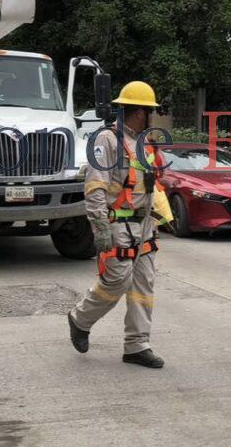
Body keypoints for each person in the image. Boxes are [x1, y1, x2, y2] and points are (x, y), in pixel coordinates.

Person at [67, 81, 165, 369]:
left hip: (144, 225)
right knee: (116, 282)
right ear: (139, 112)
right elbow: (95, 187)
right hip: (117, 225)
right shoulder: (106, 141)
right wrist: (99, 229)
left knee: (143, 286)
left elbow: (149, 187)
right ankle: (80, 319)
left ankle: (137, 346)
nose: (153, 117)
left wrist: (158, 218)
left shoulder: (144, 142)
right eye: (150, 112)